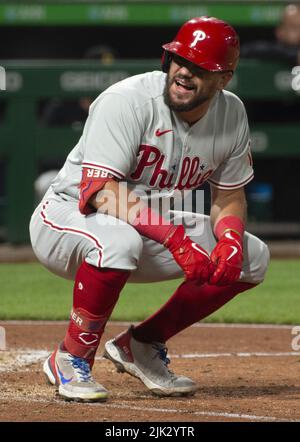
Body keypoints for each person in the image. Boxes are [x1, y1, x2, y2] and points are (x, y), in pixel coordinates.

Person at [29, 16, 270, 402]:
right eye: (180, 60)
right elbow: (101, 192)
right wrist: (174, 239)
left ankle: (141, 345)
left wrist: (229, 239)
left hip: (146, 227)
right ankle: (70, 357)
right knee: (119, 240)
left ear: (224, 78)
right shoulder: (126, 100)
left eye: (200, 67)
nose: (184, 73)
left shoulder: (232, 114)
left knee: (253, 256)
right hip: (66, 218)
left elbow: (229, 194)